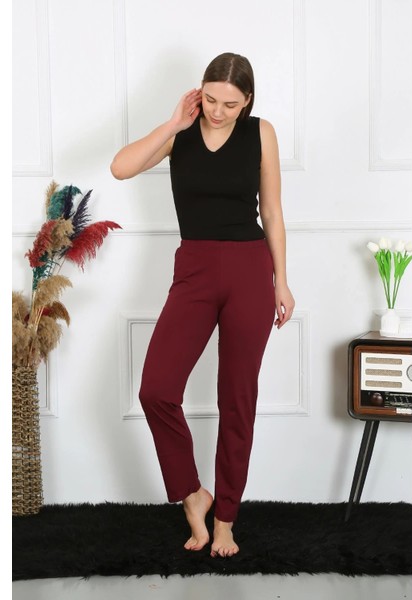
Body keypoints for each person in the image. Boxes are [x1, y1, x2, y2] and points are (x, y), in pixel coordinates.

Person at [110, 52, 295, 558]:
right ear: (199, 92)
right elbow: (120, 168)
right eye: (210, 99)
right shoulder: (181, 133)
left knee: (238, 398)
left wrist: (281, 281)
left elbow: (272, 211)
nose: (217, 111)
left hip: (250, 271)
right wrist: (173, 123)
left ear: (247, 101)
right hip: (193, 270)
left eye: (230, 105)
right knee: (156, 389)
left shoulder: (261, 133)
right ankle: (194, 494)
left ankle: (226, 518)